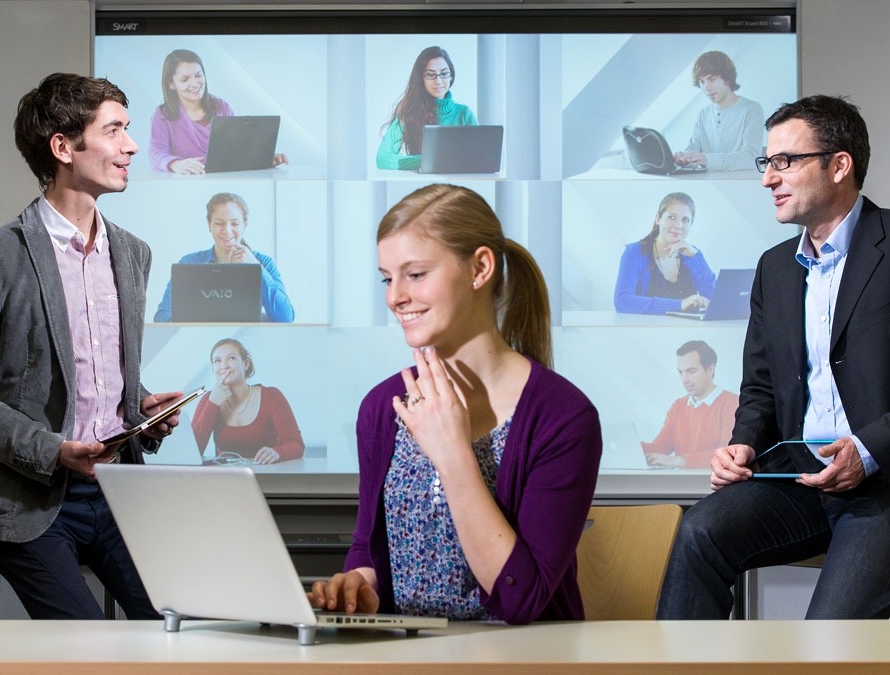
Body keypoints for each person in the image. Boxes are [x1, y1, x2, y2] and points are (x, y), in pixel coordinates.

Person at [308, 184, 601, 623]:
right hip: (406, 659)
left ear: (480, 268)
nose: (394, 297)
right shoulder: (380, 409)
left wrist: (452, 453)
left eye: (416, 274)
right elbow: (369, 549)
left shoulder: (563, 418)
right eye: (388, 278)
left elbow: (521, 601)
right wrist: (362, 585)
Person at [658, 95, 890, 619]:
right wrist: (741, 444)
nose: (768, 178)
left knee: (825, 637)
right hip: (798, 477)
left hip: (882, 484)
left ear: (839, 165)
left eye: (785, 162)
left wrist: (869, 448)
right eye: (767, 163)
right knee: (699, 532)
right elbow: (761, 386)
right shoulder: (776, 267)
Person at [0, 73, 184, 619]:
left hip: (118, 490)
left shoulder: (133, 253)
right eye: (115, 130)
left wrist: (140, 405)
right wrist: (53, 449)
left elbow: (91, 371)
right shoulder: (1, 257)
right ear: (63, 148)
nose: (131, 145)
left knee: (179, 630)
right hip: (31, 502)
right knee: (88, 646)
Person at [154, 192, 295, 323]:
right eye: (219, 223)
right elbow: (161, 317)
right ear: (210, 225)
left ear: (244, 226)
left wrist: (257, 268)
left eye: (234, 223)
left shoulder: (263, 262)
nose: (227, 230)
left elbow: (286, 318)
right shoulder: (189, 263)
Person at [149, 49, 287, 174]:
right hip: (187, 184)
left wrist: (262, 158)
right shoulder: (164, 115)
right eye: (185, 79)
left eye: (198, 75)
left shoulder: (221, 106)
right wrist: (175, 164)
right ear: (171, 84)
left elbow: (238, 148)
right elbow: (156, 153)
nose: (195, 84)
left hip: (222, 180)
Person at [191, 339, 304, 464]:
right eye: (217, 361)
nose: (224, 365)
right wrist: (212, 404)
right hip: (226, 477)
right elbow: (191, 452)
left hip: (267, 474)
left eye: (231, 358)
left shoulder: (272, 396)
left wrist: (278, 452)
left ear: (246, 364)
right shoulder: (208, 399)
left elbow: (296, 445)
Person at [376, 46, 477, 171]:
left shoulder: (464, 114)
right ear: (421, 78)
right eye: (430, 75)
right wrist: (428, 160)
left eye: (444, 73)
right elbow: (382, 159)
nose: (438, 81)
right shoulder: (408, 114)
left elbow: (478, 158)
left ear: (451, 76)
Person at [613, 192, 715, 314]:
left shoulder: (692, 254)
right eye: (672, 217)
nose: (678, 225)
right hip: (648, 331)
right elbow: (622, 301)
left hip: (688, 332)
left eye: (686, 220)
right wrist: (679, 305)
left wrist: (696, 257)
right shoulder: (635, 252)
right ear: (658, 219)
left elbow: (716, 301)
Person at [643, 341, 739, 469]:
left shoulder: (732, 403)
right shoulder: (678, 406)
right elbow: (660, 448)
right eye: (681, 372)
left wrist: (679, 461)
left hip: (715, 483)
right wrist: (632, 446)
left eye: (691, 371)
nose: (684, 379)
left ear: (710, 369)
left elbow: (727, 455)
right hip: (682, 483)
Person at [674, 51, 765, 172]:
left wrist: (708, 160)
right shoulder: (703, 114)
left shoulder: (752, 109)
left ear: (727, 79)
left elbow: (751, 157)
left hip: (740, 185)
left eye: (712, 79)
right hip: (709, 184)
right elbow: (694, 147)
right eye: (702, 82)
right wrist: (685, 157)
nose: (706, 87)